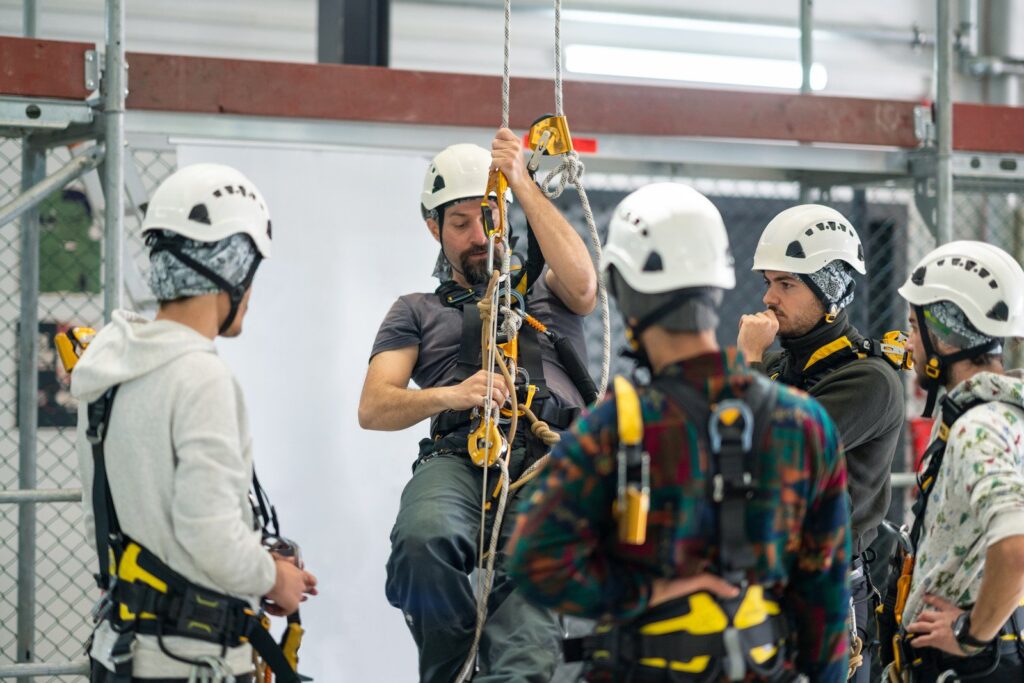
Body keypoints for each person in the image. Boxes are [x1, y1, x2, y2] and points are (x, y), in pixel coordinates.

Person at [507, 182, 852, 682]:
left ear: (625, 293)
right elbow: (826, 605)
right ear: (717, 287)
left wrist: (644, 592)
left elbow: (535, 561)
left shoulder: (618, 426)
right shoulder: (803, 425)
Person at [358, 128, 597, 682]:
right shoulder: (416, 310)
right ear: (433, 228)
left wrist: (520, 184)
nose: (477, 235)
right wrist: (454, 395)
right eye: (459, 223)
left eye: (488, 218)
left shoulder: (546, 289)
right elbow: (374, 406)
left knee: (528, 638)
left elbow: (586, 285)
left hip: (548, 456)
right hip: (461, 454)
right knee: (422, 542)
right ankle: (453, 667)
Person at [72, 163, 317, 682]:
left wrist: (250, 576)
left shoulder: (111, 369)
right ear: (230, 272)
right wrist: (274, 578)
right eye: (251, 274)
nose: (251, 293)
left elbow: (138, 524)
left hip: (121, 652)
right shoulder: (200, 378)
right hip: (190, 662)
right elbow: (207, 535)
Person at [738, 204, 906, 678]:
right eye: (769, 282)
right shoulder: (778, 370)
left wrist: (748, 362)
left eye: (787, 284)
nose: (769, 297)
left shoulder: (869, 380)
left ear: (831, 289)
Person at [885, 240, 1024, 681]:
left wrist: (968, 634)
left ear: (945, 333)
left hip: (965, 666)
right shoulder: (1006, 415)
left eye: (913, 325)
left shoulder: (978, 428)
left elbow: (1016, 546)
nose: (909, 343)